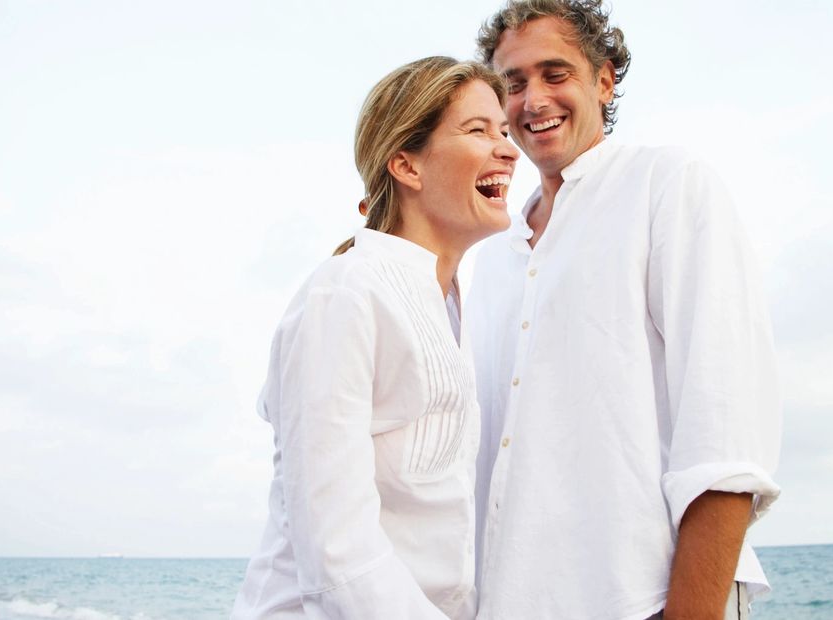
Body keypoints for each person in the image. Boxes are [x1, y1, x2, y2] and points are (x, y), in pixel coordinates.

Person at [467, 1, 782, 619]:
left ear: (604, 80)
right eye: (514, 82)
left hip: (645, 599)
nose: (533, 100)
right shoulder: (495, 252)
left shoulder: (667, 184)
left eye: (555, 73)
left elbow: (725, 427)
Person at [231, 56, 519, 619]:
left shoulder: (451, 307)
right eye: (478, 130)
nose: (508, 150)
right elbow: (337, 554)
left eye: (504, 132)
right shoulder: (346, 293)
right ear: (407, 166)